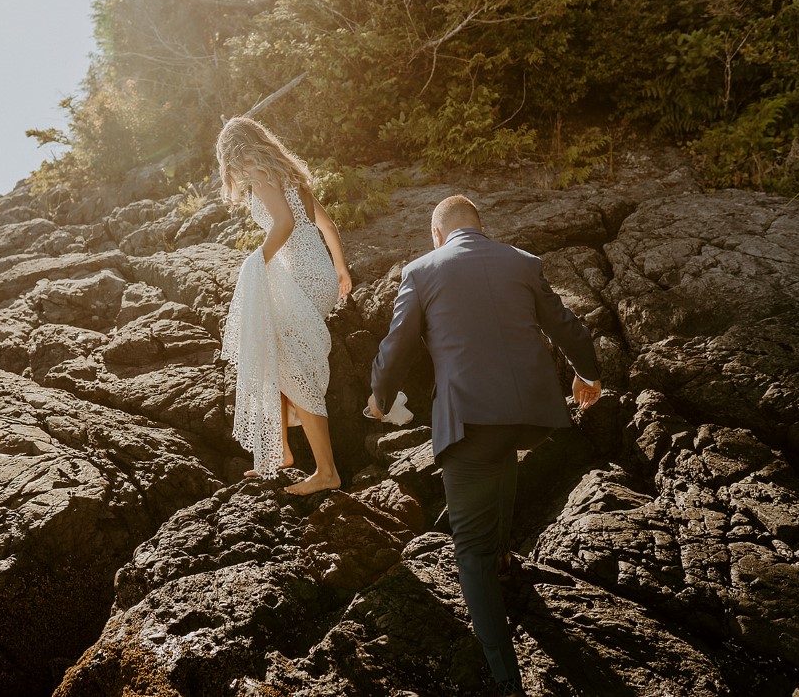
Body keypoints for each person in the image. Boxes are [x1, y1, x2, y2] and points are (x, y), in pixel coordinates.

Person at [368, 195, 601, 696]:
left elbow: (396, 345)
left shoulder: (421, 270)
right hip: (532, 415)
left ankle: (504, 678)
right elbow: (568, 326)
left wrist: (380, 397)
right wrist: (589, 375)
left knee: (466, 550)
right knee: (502, 455)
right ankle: (503, 559)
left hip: (470, 418)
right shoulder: (521, 261)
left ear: (438, 235)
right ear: (480, 227)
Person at [217, 116, 352, 496]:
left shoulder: (258, 173)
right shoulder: (289, 175)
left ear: (232, 152)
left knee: (293, 365)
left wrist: (257, 260)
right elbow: (327, 226)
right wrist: (341, 269)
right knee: (270, 350)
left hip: (304, 278)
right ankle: (278, 453)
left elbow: (284, 223)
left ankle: (326, 471)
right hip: (319, 274)